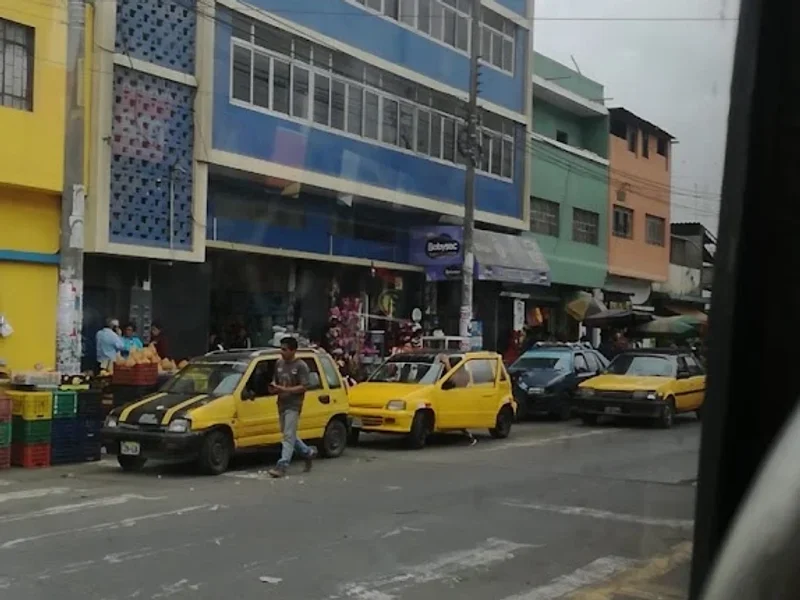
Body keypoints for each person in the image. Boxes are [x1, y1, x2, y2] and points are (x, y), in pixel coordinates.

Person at [267, 337, 317, 478]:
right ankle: (307, 452)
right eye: (281, 349)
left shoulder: (301, 366)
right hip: (281, 403)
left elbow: (304, 386)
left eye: (285, 349)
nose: (282, 352)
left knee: (288, 436)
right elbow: (276, 381)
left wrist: (284, 389)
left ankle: (282, 465)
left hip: (294, 405)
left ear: (293, 350)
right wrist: (274, 388)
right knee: (288, 434)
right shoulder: (279, 363)